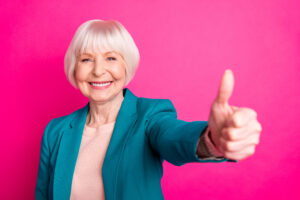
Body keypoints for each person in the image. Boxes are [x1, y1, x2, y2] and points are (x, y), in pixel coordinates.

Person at [35, 19, 262, 200]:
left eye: (111, 58)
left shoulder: (150, 116)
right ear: (75, 69)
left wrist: (213, 139)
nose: (98, 71)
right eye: (86, 60)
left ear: (127, 65)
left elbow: (175, 136)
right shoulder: (55, 131)